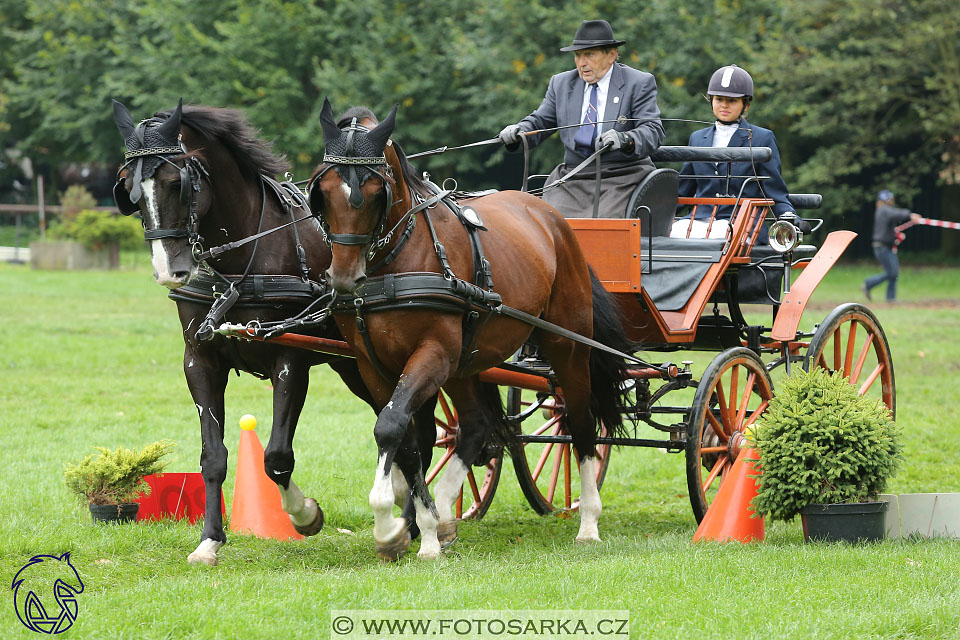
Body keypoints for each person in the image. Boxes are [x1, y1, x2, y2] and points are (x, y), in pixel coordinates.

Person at [498, 19, 665, 218]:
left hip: (623, 176)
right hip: (573, 177)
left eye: (589, 55)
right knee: (548, 222)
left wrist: (625, 140)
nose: (581, 63)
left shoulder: (638, 82)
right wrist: (519, 132)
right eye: (577, 55)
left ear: (611, 55)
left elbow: (653, 130)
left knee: (602, 226)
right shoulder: (560, 84)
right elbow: (540, 122)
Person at [672, 64, 794, 239]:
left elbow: (774, 188)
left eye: (732, 101)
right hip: (698, 221)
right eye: (719, 99)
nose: (724, 105)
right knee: (672, 233)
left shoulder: (761, 138)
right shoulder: (697, 138)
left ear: (746, 105)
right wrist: (658, 214)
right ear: (711, 100)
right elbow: (684, 189)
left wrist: (788, 216)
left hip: (742, 222)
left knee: (720, 234)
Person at [863, 190, 922, 302]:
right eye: (890, 199)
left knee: (893, 272)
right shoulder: (884, 210)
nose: (892, 202)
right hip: (883, 247)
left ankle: (890, 298)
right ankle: (869, 284)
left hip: (884, 246)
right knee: (892, 273)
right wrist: (910, 215)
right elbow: (895, 214)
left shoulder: (882, 211)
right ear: (884, 200)